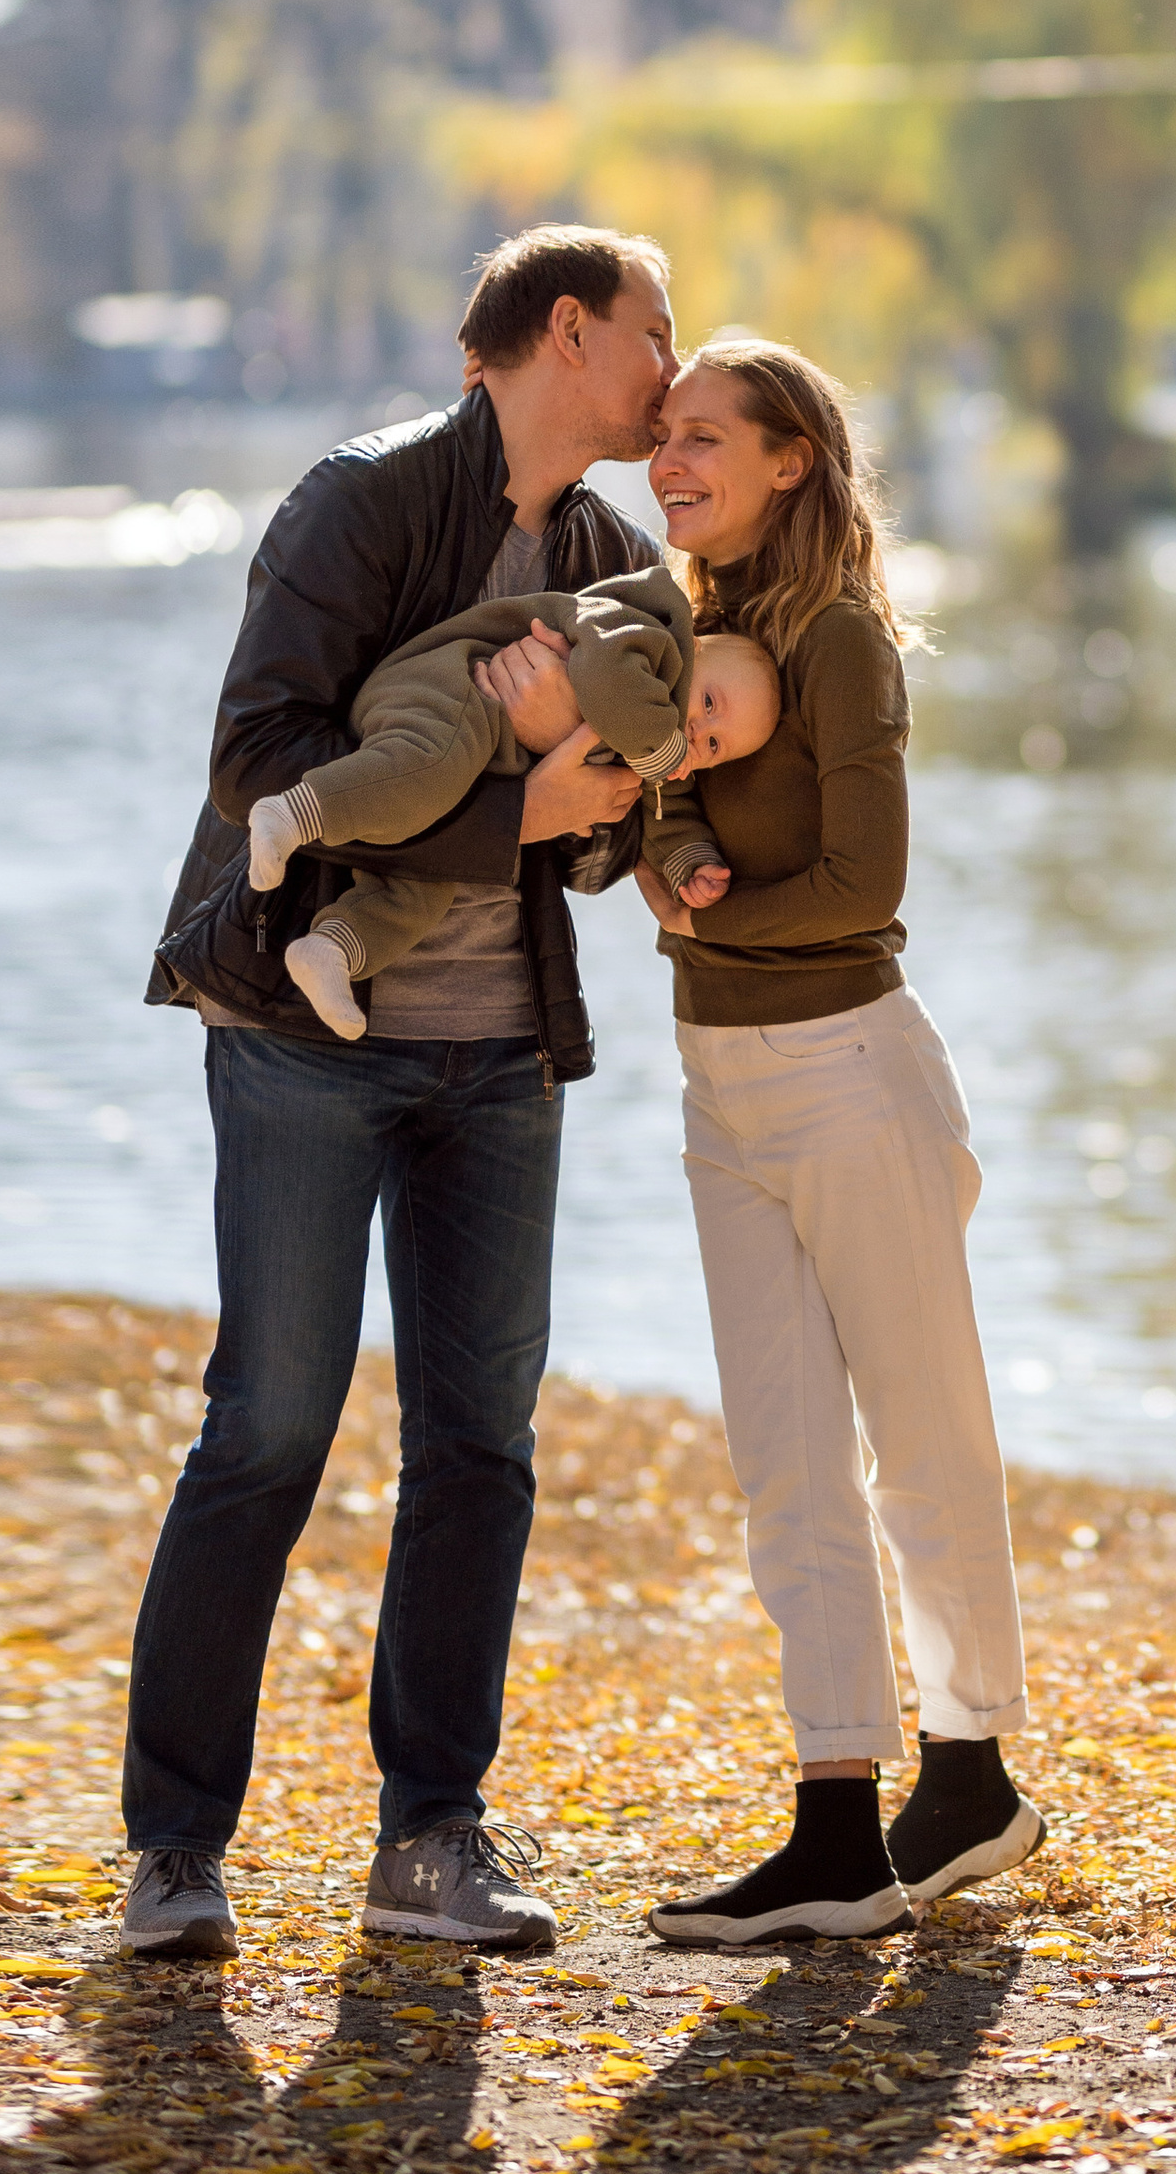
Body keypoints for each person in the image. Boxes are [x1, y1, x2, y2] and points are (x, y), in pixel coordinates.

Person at [124, 223, 680, 1964]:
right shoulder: (361, 500)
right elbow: (261, 755)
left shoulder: (606, 549)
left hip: (502, 1055)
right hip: (306, 1040)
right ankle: (174, 1851)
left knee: (478, 1452)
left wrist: (604, 804)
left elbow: (608, 836)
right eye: (656, 336)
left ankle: (430, 1839)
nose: (673, 369)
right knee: (269, 1432)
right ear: (570, 334)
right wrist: (510, 804)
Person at [588, 333, 1042, 1944]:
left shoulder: (843, 641)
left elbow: (867, 887)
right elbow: (658, 806)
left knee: (924, 1443)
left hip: (852, 1071)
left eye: (706, 437)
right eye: (663, 440)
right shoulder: (683, 632)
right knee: (788, 1467)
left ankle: (974, 1765)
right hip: (722, 1091)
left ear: (792, 457)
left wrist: (711, 917)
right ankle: (836, 1821)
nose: (671, 463)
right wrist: (681, 839)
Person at [245, 577, 775, 1039]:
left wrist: (690, 860)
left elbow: (665, 810)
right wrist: (664, 749)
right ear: (696, 650)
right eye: (709, 704)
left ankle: (332, 950)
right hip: (453, 691)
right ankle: (292, 814)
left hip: (482, 757)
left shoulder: (656, 739)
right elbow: (607, 677)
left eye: (713, 746)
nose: (698, 731)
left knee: (424, 883)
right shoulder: (646, 633)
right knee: (426, 770)